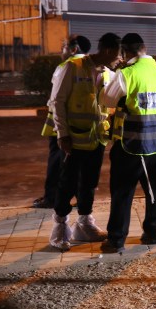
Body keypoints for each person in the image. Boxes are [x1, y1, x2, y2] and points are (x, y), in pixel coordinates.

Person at [99, 33, 156, 254]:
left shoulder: (127, 75)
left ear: (125, 53)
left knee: (122, 194)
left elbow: (106, 100)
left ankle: (116, 240)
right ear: (144, 49)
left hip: (131, 147)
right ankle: (154, 233)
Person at [48, 33, 122, 251]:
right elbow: (57, 101)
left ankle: (84, 224)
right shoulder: (73, 67)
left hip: (97, 139)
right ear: (108, 50)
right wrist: (62, 134)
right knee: (67, 183)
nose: (120, 58)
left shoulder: (109, 73)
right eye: (118, 54)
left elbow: (109, 105)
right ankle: (60, 228)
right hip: (73, 139)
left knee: (89, 183)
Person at [34, 35, 92, 209]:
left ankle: (52, 197)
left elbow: (56, 100)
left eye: (64, 46)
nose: (61, 50)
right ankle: (81, 198)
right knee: (81, 165)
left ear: (73, 49)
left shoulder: (65, 67)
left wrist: (61, 131)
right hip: (86, 127)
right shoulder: (95, 67)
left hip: (61, 126)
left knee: (57, 163)